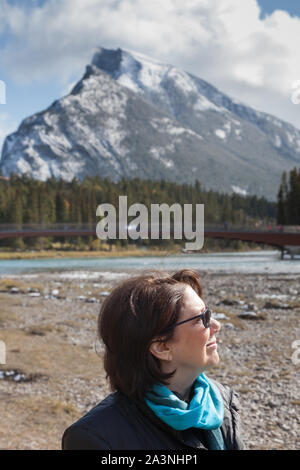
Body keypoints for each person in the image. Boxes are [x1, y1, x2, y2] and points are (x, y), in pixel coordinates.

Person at [62, 269, 244, 450]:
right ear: (162, 347)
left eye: (209, 313)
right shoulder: (95, 439)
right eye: (202, 318)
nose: (216, 325)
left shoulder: (220, 400)